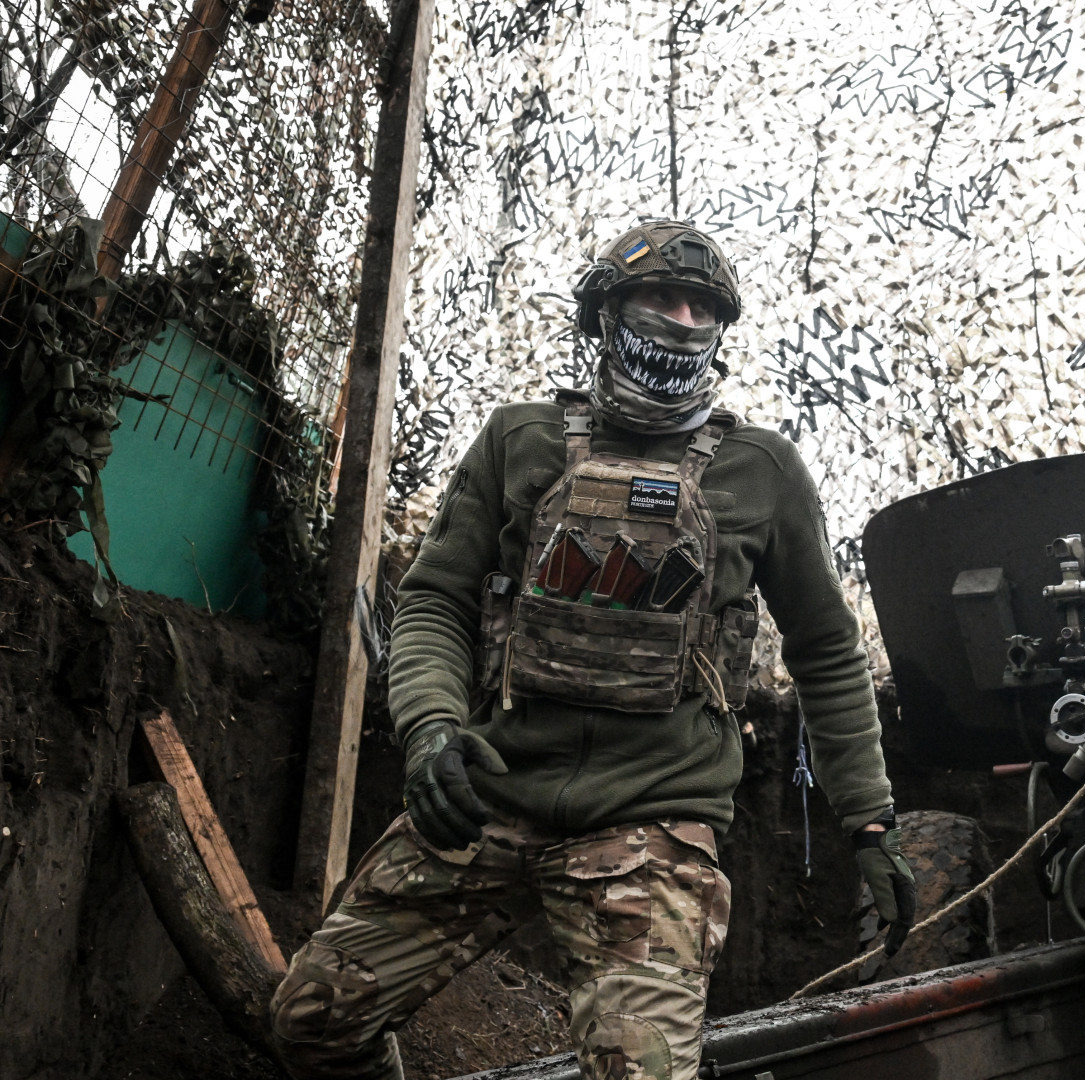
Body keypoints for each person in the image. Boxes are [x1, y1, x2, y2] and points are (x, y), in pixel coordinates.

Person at [268, 220, 916, 1080]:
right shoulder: (519, 438)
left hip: (652, 819)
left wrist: (869, 821)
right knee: (312, 1022)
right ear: (605, 313)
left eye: (703, 309)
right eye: (661, 298)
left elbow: (827, 649)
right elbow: (435, 600)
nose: (682, 321)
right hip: (489, 793)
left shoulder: (763, 470)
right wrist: (429, 732)